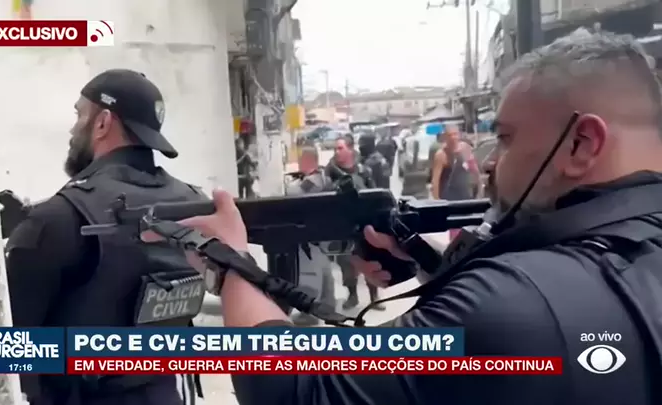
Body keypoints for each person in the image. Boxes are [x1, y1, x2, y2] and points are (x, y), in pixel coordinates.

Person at [142, 30, 662, 405]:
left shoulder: (512, 298)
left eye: (505, 138)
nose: (489, 162)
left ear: (582, 143)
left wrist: (230, 261)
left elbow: (296, 389)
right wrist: (432, 267)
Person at [5, 69, 205, 405]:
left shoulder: (61, 217)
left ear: (103, 122)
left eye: (79, 115)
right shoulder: (195, 204)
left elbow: (8, 352)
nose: (73, 129)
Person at [325, 136, 383, 310]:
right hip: (343, 224)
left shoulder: (364, 170)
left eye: (340, 148)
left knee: (370, 257)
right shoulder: (330, 173)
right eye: (335, 148)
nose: (336, 152)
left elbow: (375, 194)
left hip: (365, 223)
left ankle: (374, 296)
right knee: (346, 261)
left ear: (350, 149)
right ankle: (352, 295)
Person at [285, 146, 336, 325]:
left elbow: (293, 193)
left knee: (309, 272)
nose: (299, 164)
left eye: (301, 160)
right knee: (323, 269)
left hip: (310, 234)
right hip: (321, 234)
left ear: (308, 160)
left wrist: (291, 183)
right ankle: (327, 305)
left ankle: (311, 312)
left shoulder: (312, 181)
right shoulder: (324, 178)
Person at [431, 124, 483, 239]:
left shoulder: (465, 148)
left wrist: (479, 187)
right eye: (450, 135)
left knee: (469, 226)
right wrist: (437, 202)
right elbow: (435, 180)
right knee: (455, 229)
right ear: (445, 137)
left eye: (455, 134)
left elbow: (474, 169)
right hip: (451, 197)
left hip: (466, 195)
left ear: (459, 135)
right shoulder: (441, 155)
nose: (453, 137)